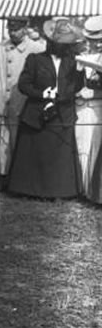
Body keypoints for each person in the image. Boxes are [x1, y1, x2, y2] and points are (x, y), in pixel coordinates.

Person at [7, 18, 86, 199]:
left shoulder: (72, 62)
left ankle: (60, 191)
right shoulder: (35, 59)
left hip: (62, 114)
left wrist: (80, 72)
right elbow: (23, 85)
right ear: (50, 43)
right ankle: (30, 190)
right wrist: (43, 94)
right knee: (35, 152)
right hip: (37, 113)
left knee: (59, 155)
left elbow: (76, 87)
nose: (61, 47)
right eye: (57, 44)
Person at [0, 16, 46, 179]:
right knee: (2, 139)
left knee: (22, 139)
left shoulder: (37, 48)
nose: (13, 33)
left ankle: (21, 176)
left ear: (25, 29)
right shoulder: (0, 48)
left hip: (23, 101)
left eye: (16, 29)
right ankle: (3, 174)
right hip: (2, 100)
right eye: (10, 29)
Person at [75, 15, 102, 203]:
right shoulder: (84, 57)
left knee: (96, 145)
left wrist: (93, 94)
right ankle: (83, 187)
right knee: (82, 145)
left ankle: (93, 188)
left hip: (99, 107)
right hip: (83, 107)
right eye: (93, 41)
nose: (97, 44)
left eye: (100, 41)